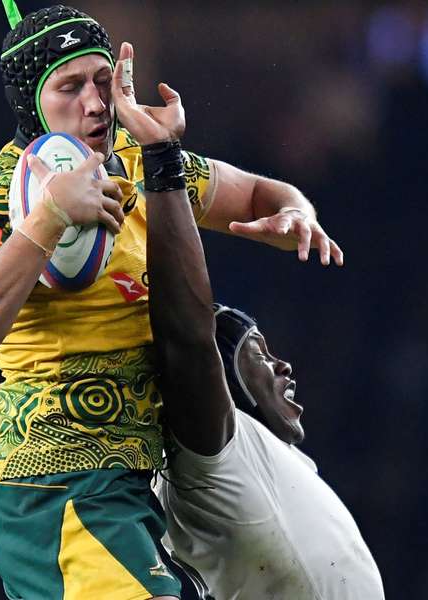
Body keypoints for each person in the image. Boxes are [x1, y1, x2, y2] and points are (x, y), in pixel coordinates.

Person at [0, 3, 342, 598]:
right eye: (70, 87)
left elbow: (254, 191)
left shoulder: (134, 158)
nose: (95, 102)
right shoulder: (3, 195)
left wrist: (295, 211)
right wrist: (47, 219)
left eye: (103, 80)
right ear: (32, 105)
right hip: (56, 487)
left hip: (130, 485)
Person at [135, 47, 384, 600]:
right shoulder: (212, 457)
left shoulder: (276, 464)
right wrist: (161, 160)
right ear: (221, 383)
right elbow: (186, 339)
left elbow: (263, 192)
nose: (283, 363)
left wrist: (300, 210)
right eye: (259, 350)